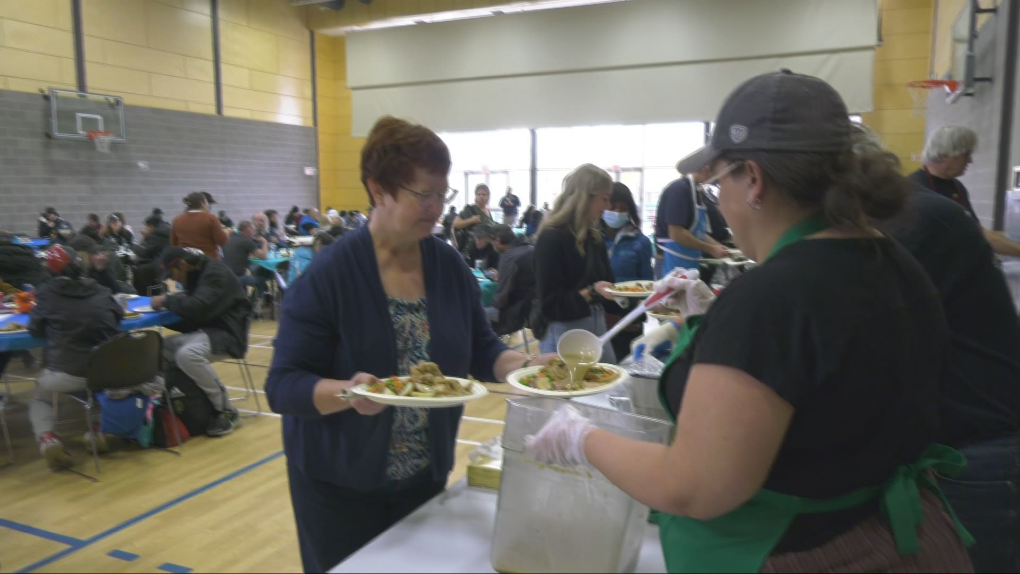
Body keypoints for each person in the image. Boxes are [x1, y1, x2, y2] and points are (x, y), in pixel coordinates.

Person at [527, 71, 974, 573]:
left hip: (811, 553)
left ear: (754, 179)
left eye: (720, 184)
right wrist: (713, 322)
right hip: (904, 537)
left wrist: (580, 437)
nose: (722, 202)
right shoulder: (894, 262)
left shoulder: (774, 296)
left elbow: (694, 485)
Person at [265, 116, 546, 574]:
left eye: (442, 194)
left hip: (422, 477)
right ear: (379, 189)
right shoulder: (330, 275)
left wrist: (529, 367)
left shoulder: (448, 266)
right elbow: (283, 386)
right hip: (340, 488)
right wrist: (352, 393)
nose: (436, 208)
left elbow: (482, 347)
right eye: (423, 195)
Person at [855, 125, 1020, 573]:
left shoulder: (912, 221)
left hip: (978, 449)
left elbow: (856, 338)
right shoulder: (912, 211)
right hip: (953, 442)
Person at [28, 245, 123, 470]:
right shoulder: (99, 289)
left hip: (66, 372)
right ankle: (98, 430)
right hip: (106, 370)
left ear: (51, 271)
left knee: (40, 397)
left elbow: (35, 329)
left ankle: (48, 437)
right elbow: (117, 315)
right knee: (96, 390)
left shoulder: (47, 292)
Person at [150, 247, 251, 437]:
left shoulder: (215, 274)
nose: (173, 279)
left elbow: (198, 306)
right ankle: (189, 405)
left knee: (187, 355)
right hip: (208, 331)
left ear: (182, 264)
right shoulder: (198, 275)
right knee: (159, 347)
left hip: (228, 334)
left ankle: (227, 411)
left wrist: (166, 300)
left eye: (172, 273)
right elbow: (194, 310)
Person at [534, 164, 618, 363]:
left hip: (596, 326)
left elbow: (608, 281)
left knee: (609, 387)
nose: (607, 207)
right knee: (570, 392)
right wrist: (592, 292)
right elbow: (551, 304)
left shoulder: (594, 238)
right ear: (585, 197)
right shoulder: (551, 239)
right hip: (564, 332)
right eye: (604, 199)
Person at [909, 125, 1020, 257]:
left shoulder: (957, 187)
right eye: (966, 154)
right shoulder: (913, 188)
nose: (970, 160)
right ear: (944, 155)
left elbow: (976, 231)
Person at [602, 182, 653, 360]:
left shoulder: (641, 241)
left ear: (630, 211)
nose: (616, 213)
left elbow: (648, 283)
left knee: (626, 367)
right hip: (598, 315)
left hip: (629, 316)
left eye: (622, 208)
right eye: (612, 207)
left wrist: (638, 312)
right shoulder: (590, 238)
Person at [655, 161, 730, 276]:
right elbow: (676, 233)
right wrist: (711, 249)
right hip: (672, 261)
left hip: (688, 262)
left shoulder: (696, 191)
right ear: (705, 169)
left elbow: (697, 233)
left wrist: (717, 246)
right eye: (714, 173)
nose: (715, 179)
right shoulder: (679, 190)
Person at [484, 224, 536, 334]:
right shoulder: (530, 248)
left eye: (491, 242)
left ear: (497, 240)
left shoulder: (509, 257)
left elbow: (500, 300)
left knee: (474, 312)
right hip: (533, 308)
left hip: (516, 313)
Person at [171, 191, 230, 259]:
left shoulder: (177, 220)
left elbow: (174, 243)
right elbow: (222, 241)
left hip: (185, 262)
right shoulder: (211, 218)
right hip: (207, 261)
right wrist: (227, 232)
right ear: (203, 203)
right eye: (207, 203)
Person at [69, 236, 135, 295]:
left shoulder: (100, 266)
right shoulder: (72, 272)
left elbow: (116, 291)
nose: (96, 256)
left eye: (96, 252)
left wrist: (102, 271)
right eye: (92, 253)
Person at [224, 221, 269, 303]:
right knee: (261, 282)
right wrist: (264, 242)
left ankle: (244, 304)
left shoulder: (231, 238)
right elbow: (264, 256)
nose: (254, 233)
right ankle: (250, 307)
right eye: (253, 230)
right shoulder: (246, 241)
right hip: (238, 277)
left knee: (247, 280)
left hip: (226, 276)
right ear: (248, 230)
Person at [130, 215, 172, 294]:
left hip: (161, 265)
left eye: (146, 227)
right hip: (165, 262)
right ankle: (153, 290)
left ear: (151, 226)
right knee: (140, 267)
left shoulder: (158, 234)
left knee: (138, 269)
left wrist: (133, 246)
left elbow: (145, 252)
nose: (145, 229)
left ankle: (142, 294)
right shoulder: (164, 230)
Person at [453, 184, 494, 250]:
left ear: (488, 196)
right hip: (472, 248)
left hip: (486, 249)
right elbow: (455, 224)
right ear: (475, 196)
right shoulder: (470, 209)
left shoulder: (488, 211)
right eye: (478, 194)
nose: (481, 196)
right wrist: (471, 220)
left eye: (484, 194)